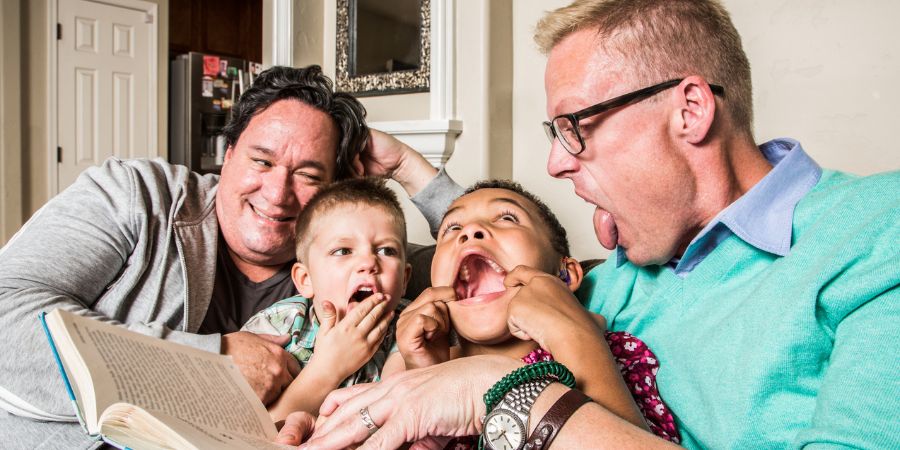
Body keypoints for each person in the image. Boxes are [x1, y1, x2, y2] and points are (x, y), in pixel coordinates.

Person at [277, 0, 899, 448]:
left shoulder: (877, 234)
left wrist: (503, 392)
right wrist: (412, 171)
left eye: (575, 127)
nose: (554, 162)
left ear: (689, 110)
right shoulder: (618, 272)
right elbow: (487, 250)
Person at [0, 65, 456, 448]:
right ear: (229, 153)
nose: (277, 193)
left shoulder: (352, 260)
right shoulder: (136, 196)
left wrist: (409, 170)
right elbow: (7, 312)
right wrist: (211, 360)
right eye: (261, 161)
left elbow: (490, 262)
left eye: (308, 174)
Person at [382, 180, 679, 447]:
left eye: (507, 218)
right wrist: (423, 372)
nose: (470, 232)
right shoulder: (415, 369)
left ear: (565, 274)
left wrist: (574, 335)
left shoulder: (615, 355)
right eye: (452, 229)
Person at [242, 177, 411, 423]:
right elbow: (245, 430)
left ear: (405, 279)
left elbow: (396, 418)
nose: (368, 263)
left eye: (386, 250)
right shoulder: (277, 326)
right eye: (343, 251)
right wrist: (329, 368)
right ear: (305, 279)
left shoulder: (409, 326)